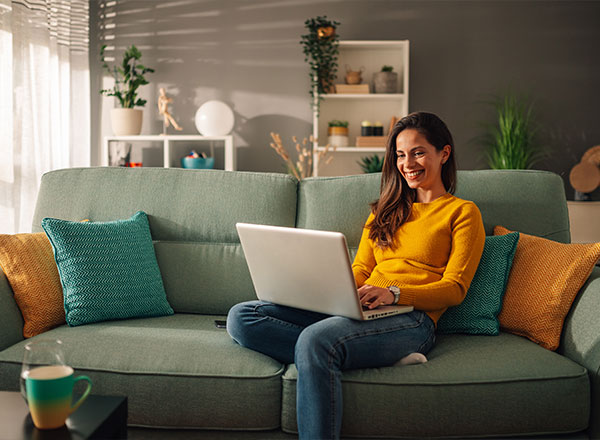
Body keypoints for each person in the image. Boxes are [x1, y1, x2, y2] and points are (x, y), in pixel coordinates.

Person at [226, 111, 486, 440]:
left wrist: (394, 294)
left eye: (418, 152)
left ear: (443, 153)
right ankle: (366, 356)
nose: (408, 163)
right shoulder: (383, 212)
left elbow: (454, 289)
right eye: (401, 155)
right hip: (361, 305)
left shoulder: (462, 212)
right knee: (243, 316)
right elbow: (361, 270)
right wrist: (328, 290)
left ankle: (335, 352)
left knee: (315, 340)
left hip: (412, 319)